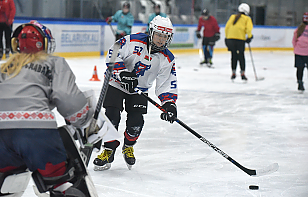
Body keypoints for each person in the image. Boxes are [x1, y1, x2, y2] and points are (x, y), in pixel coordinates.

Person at [0, 20, 115, 197]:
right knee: (65, 183)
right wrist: (87, 122)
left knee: (6, 184)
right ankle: (63, 187)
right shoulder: (53, 62)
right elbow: (68, 100)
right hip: (36, 135)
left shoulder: (5, 68)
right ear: (44, 43)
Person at [93, 15, 178, 171]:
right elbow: (113, 52)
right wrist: (122, 72)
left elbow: (166, 83)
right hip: (116, 83)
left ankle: (128, 146)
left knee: (136, 123)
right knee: (112, 116)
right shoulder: (132, 40)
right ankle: (108, 150)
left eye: (165, 36)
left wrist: (169, 104)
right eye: (158, 34)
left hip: (139, 89)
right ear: (151, 32)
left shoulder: (167, 58)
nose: (161, 39)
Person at [225, 3, 253, 81]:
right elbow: (248, 29)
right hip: (240, 39)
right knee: (241, 56)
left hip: (230, 39)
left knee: (233, 55)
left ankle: (233, 72)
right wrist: (250, 37)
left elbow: (227, 27)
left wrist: (227, 37)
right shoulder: (247, 19)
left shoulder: (232, 17)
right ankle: (242, 73)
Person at [292, 12, 308, 91]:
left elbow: (294, 40)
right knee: (300, 69)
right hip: (304, 53)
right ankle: (300, 83)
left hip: (299, 53)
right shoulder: (299, 29)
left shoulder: (299, 29)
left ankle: (300, 83)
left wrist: (296, 49)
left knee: (299, 69)